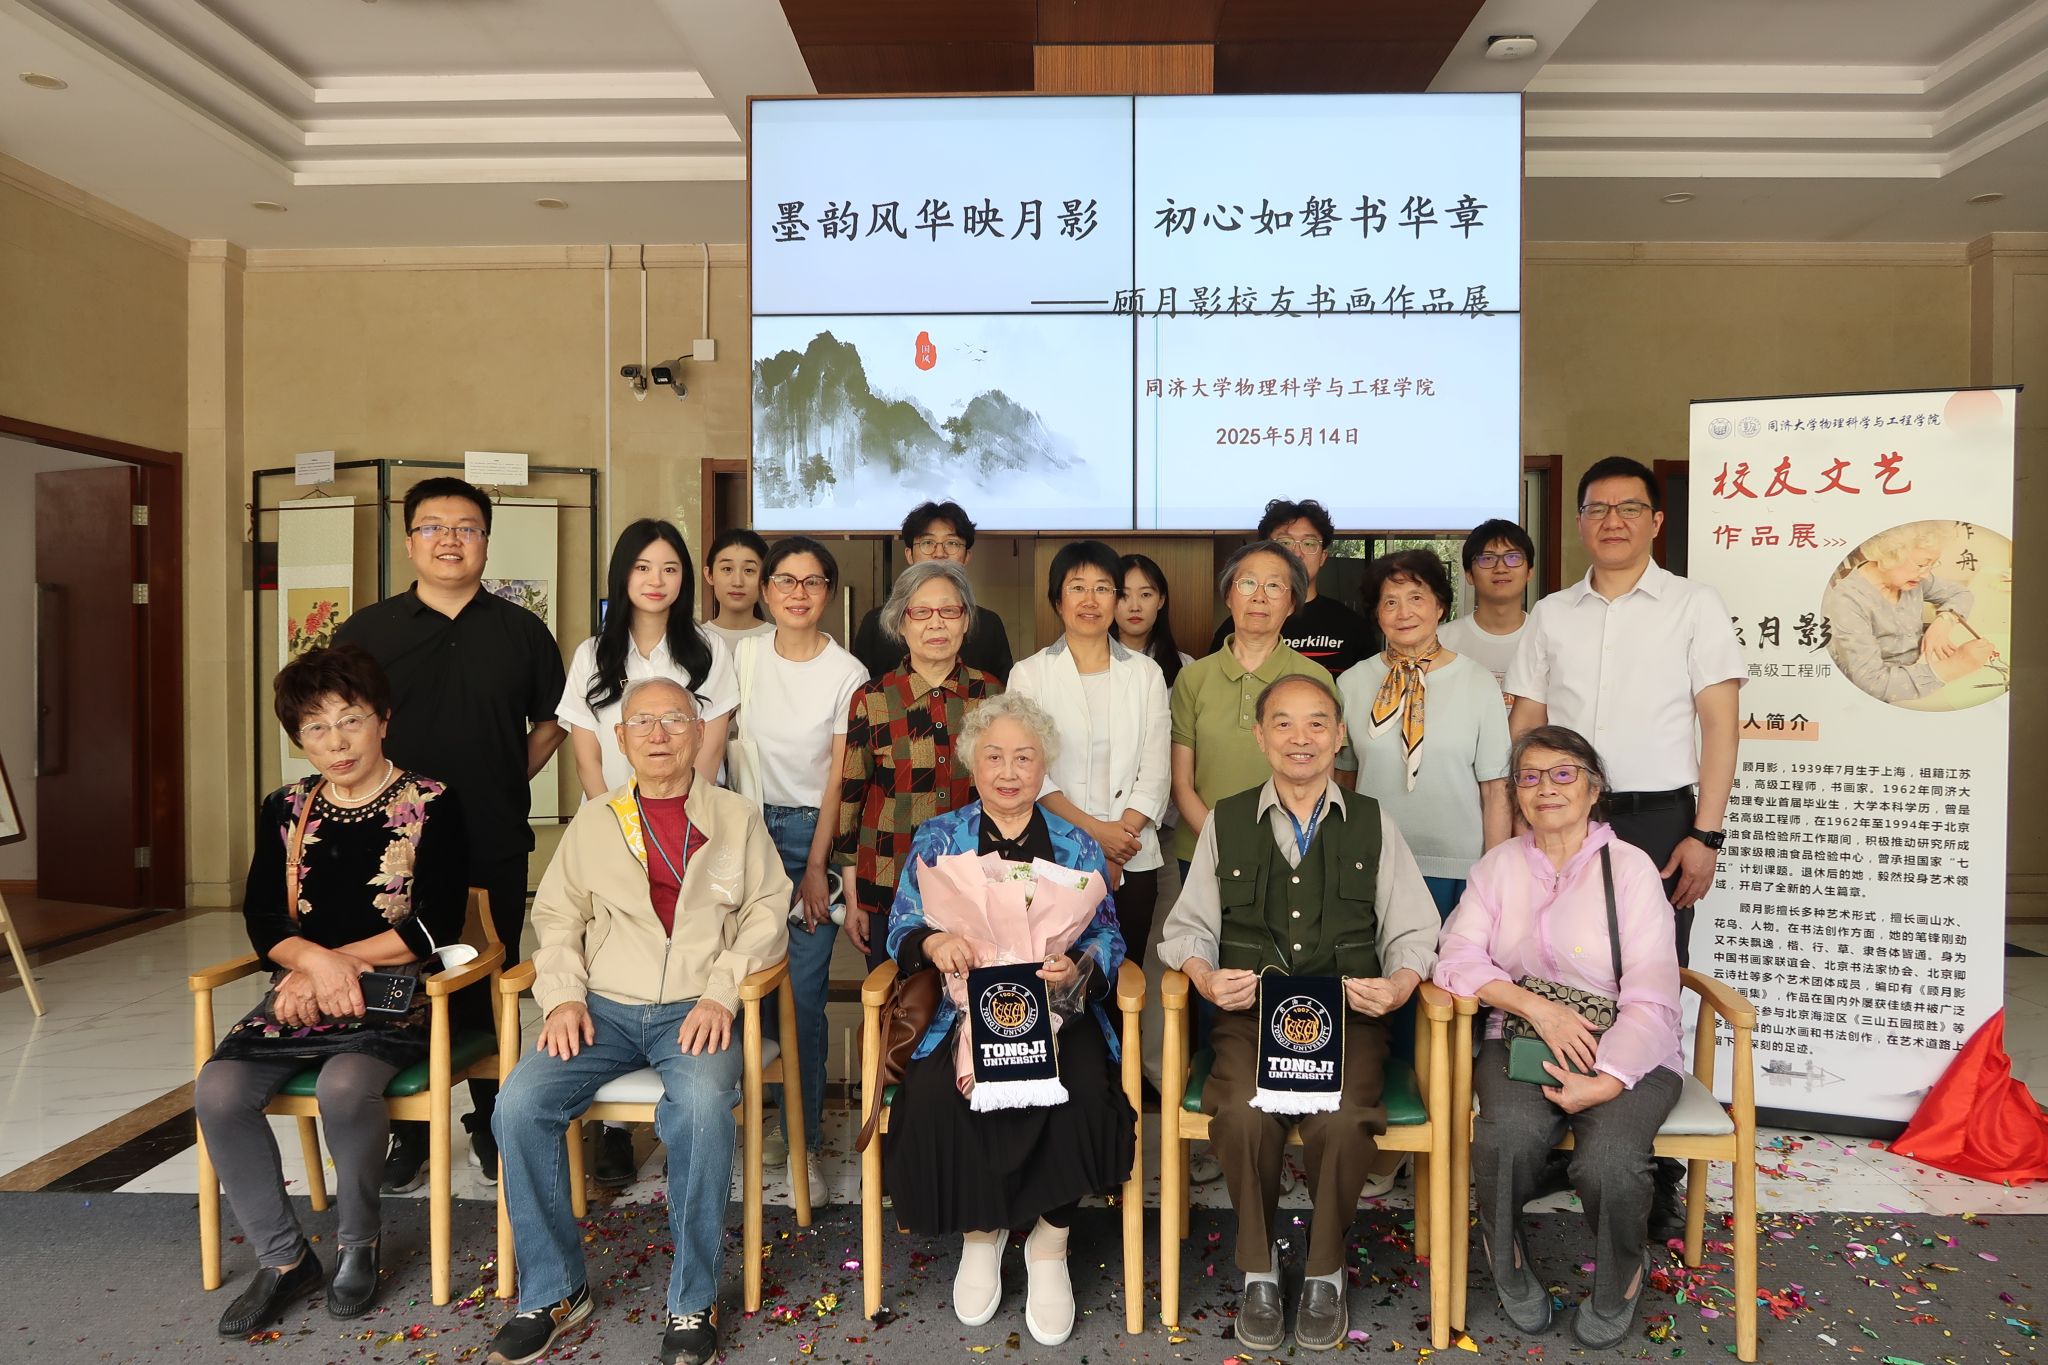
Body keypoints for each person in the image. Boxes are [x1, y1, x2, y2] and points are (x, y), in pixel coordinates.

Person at [485, 678, 789, 1365]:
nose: (658, 734)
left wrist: (721, 992)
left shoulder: (737, 816)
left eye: (674, 720)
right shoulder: (595, 820)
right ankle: (556, 1289)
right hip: (602, 1006)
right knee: (520, 1104)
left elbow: (768, 914)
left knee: (703, 1110)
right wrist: (563, 995)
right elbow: (557, 916)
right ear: (619, 739)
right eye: (642, 722)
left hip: (697, 1008)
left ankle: (693, 1299)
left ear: (700, 733)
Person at [1156, 674, 1441, 1352]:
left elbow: (1414, 930)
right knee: (1242, 1112)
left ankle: (1324, 1269)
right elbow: (1187, 928)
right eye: (1282, 723)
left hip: (1347, 1020)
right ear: (1261, 737)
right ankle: (1259, 1271)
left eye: (1317, 723)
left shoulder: (1373, 822)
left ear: (1339, 735)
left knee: (1342, 1117)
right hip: (1251, 1018)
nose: (1300, 738)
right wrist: (1203, 975)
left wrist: (1399, 985)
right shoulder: (1226, 820)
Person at [196, 644, 468, 1334]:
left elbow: (434, 924)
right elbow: (265, 920)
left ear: (383, 719)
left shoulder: (433, 801)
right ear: (298, 738)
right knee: (218, 1091)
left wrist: (330, 965)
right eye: (315, 728)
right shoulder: (285, 808)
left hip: (396, 992)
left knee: (345, 1086)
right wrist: (314, 967)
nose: (336, 741)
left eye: (350, 720)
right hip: (304, 988)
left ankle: (357, 1244)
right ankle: (285, 1259)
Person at [1504, 454, 1741, 1241]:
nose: (1613, 521)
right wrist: (1521, 819)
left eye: (1629, 507)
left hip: (1658, 817)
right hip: (1558, 814)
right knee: (1551, 966)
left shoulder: (1694, 605)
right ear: (1578, 521)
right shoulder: (1551, 613)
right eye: (1598, 508)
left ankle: (1650, 1164)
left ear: (1656, 520)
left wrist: (1705, 831)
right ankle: (1556, 1136)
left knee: (1649, 983)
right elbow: (1527, 719)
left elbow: (1720, 723)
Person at [335, 475, 566, 1192]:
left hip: (491, 836)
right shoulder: (368, 632)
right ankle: (407, 1128)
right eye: (433, 527)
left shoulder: (521, 629)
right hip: (389, 846)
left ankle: (493, 1119)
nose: (450, 540)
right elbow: (342, 725)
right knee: (396, 978)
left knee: (487, 977)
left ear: (485, 542)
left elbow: (552, 721)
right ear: (409, 542)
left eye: (466, 527)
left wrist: (502, 775)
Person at [883, 692, 1132, 1348]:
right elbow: (902, 924)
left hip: (1058, 1011)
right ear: (972, 762)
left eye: (1024, 757)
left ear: (1044, 764)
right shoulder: (939, 838)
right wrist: (934, 942)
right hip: (962, 1010)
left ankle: (1049, 1242)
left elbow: (1109, 935)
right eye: (994, 756)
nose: (1009, 770)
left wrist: (1076, 966)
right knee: (935, 1093)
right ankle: (981, 1233)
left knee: (1083, 1091)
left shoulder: (1076, 843)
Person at [1433, 725, 1683, 1350]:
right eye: (1530, 776)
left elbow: (1653, 993)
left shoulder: (1630, 869)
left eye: (1564, 773)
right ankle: (1506, 1257)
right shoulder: (1499, 866)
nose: (1546, 788)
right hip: (1521, 1036)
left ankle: (1622, 1277)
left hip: (1626, 1041)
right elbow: (1457, 956)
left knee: (1609, 1161)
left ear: (1594, 788)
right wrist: (1536, 1008)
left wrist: (1608, 1078)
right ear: (1516, 793)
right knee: (1508, 1140)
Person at [731, 536, 869, 1186]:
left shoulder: (847, 672)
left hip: (814, 831)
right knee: (746, 989)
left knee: (805, 995)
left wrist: (818, 865)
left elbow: (839, 776)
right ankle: (759, 1122)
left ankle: (802, 1144)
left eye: (812, 582)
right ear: (765, 591)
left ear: (829, 593)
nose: (798, 593)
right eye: (785, 580)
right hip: (746, 832)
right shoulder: (743, 656)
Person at [1008, 540, 1173, 960]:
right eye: (1077, 587)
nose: (1090, 600)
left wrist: (1121, 841)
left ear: (1116, 599)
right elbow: (1028, 772)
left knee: (1124, 974)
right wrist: (1099, 838)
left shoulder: (1146, 674)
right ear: (1057, 600)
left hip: (1133, 855)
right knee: (1051, 975)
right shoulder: (1029, 675)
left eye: (1103, 588)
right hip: (1053, 852)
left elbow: (1156, 770)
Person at [837, 560, 1002, 968]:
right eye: (921, 612)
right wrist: (853, 894)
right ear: (901, 623)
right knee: (895, 1000)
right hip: (889, 885)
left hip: (974, 884)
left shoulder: (990, 694)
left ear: (966, 621)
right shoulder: (872, 699)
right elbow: (851, 800)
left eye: (949, 610)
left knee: (970, 998)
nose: (936, 623)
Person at [1336, 549, 1511, 916]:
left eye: (1416, 598)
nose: (1404, 613)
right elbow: (1343, 780)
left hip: (1459, 868)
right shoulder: (1351, 683)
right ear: (1377, 613)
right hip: (1371, 862)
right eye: (1390, 602)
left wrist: (1496, 875)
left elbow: (1496, 790)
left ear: (1440, 607)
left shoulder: (1478, 682)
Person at [1170, 541, 1335, 866]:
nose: (1259, 596)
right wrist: (1222, 844)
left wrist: (1286, 846)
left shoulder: (1315, 678)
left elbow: (1322, 776)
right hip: (1203, 850)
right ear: (1229, 596)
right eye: (1247, 583)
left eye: (1274, 586)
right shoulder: (1193, 678)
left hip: (1289, 854)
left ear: (1292, 603)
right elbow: (1181, 782)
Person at [561, 519, 736, 799]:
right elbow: (588, 761)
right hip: (610, 816)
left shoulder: (710, 650)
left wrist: (684, 816)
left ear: (684, 577)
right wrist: (615, 819)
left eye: (670, 569)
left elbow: (711, 751)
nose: (656, 580)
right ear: (622, 573)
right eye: (642, 568)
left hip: (691, 815)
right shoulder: (591, 655)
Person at [1822, 521, 1995, 702]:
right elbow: (1871, 683)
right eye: (1921, 564)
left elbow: (1961, 593)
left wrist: (1944, 621)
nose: (1926, 574)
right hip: (1886, 695)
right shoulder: (1847, 601)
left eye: (1932, 564)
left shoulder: (1913, 579)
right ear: (1889, 555)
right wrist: (1955, 666)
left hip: (1922, 666)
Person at [851, 501, 1015, 683]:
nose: (939, 553)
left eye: (951, 543)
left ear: (967, 556)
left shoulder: (989, 625)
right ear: (909, 555)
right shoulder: (876, 624)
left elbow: (1002, 693)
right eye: (927, 543)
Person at [1206, 498, 1376, 674]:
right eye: (1285, 542)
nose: (1296, 553)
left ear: (1323, 557)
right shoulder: (1239, 624)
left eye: (1308, 543)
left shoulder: (1352, 626)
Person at [1439, 518, 1535, 693]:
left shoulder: (1546, 639)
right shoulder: (1441, 641)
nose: (1501, 568)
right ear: (1469, 575)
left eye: (1513, 557)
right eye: (1487, 558)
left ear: (1529, 572)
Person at [1115, 551, 1193, 688]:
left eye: (1145, 595)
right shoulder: (1090, 664)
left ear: (1161, 600)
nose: (1135, 607)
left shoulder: (1187, 667)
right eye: (1123, 595)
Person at [701, 528, 776, 649]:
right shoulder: (694, 639)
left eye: (749, 570)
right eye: (727, 569)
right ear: (709, 575)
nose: (737, 582)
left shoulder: (780, 639)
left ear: (764, 580)